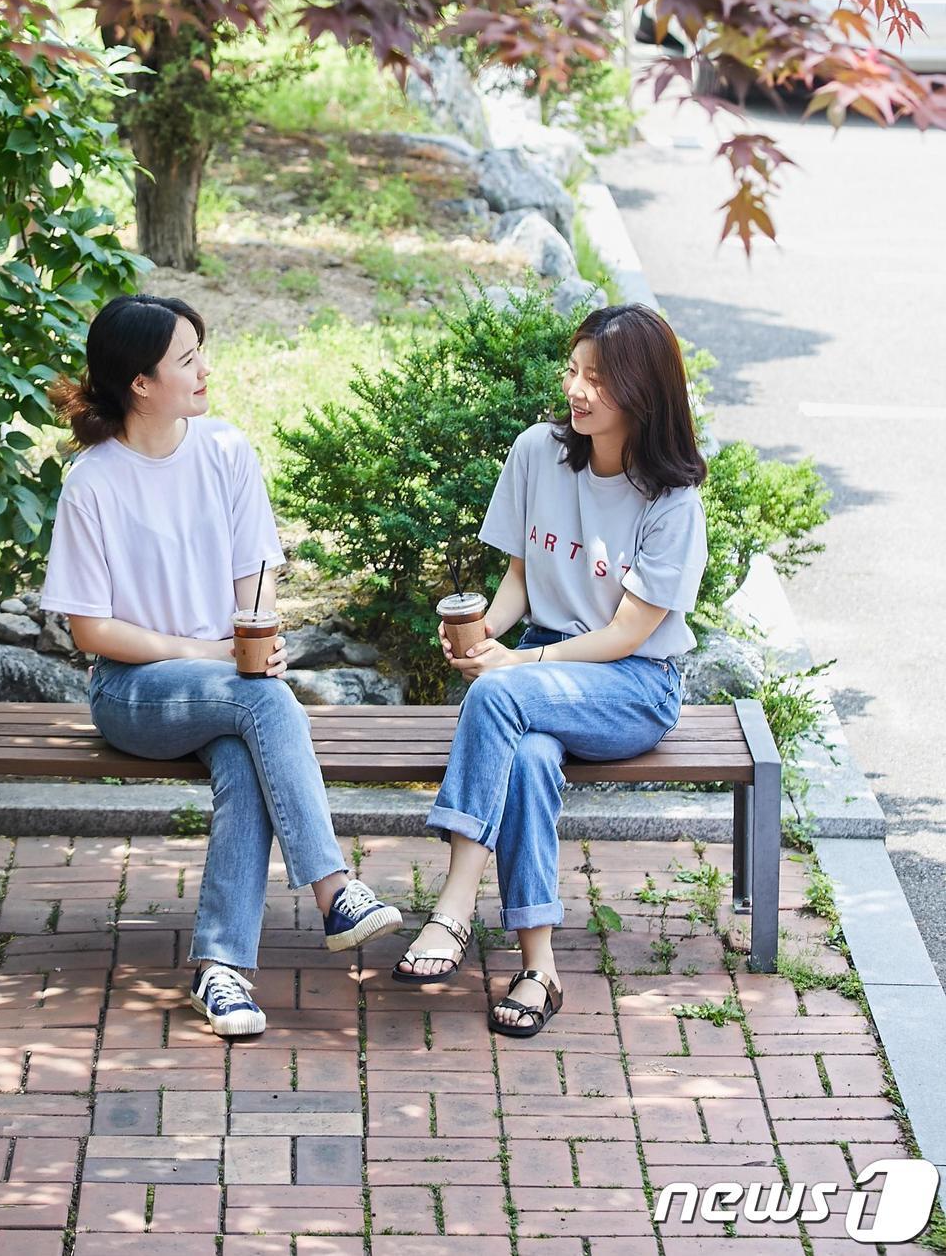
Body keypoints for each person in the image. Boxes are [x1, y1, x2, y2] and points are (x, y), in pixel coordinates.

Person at [42, 291, 403, 1038]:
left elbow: (257, 572)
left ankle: (221, 972)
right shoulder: (94, 484)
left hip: (227, 688)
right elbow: (89, 630)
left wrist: (250, 634)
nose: (205, 369)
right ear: (142, 383)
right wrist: (204, 652)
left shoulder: (227, 452)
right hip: (134, 692)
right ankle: (335, 889)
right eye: (187, 358)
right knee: (264, 706)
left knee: (245, 754)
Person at [393, 303, 707, 1040]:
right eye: (574, 370)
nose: (578, 389)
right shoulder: (538, 450)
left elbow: (631, 632)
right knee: (529, 756)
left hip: (633, 685)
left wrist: (518, 662)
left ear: (643, 390)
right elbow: (521, 578)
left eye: (599, 379)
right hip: (544, 673)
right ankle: (539, 968)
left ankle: (454, 907)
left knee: (503, 695)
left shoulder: (671, 498)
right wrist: (484, 634)